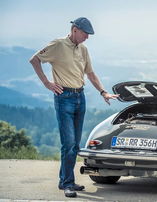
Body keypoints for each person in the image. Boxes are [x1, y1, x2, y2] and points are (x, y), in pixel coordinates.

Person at [29, 17, 119, 198]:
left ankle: (65, 180)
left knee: (75, 145)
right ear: (75, 30)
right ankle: (68, 183)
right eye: (86, 33)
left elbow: (91, 73)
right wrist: (47, 83)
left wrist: (103, 92)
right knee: (68, 143)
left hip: (80, 96)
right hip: (64, 98)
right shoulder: (58, 45)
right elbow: (34, 60)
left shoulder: (83, 49)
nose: (87, 37)